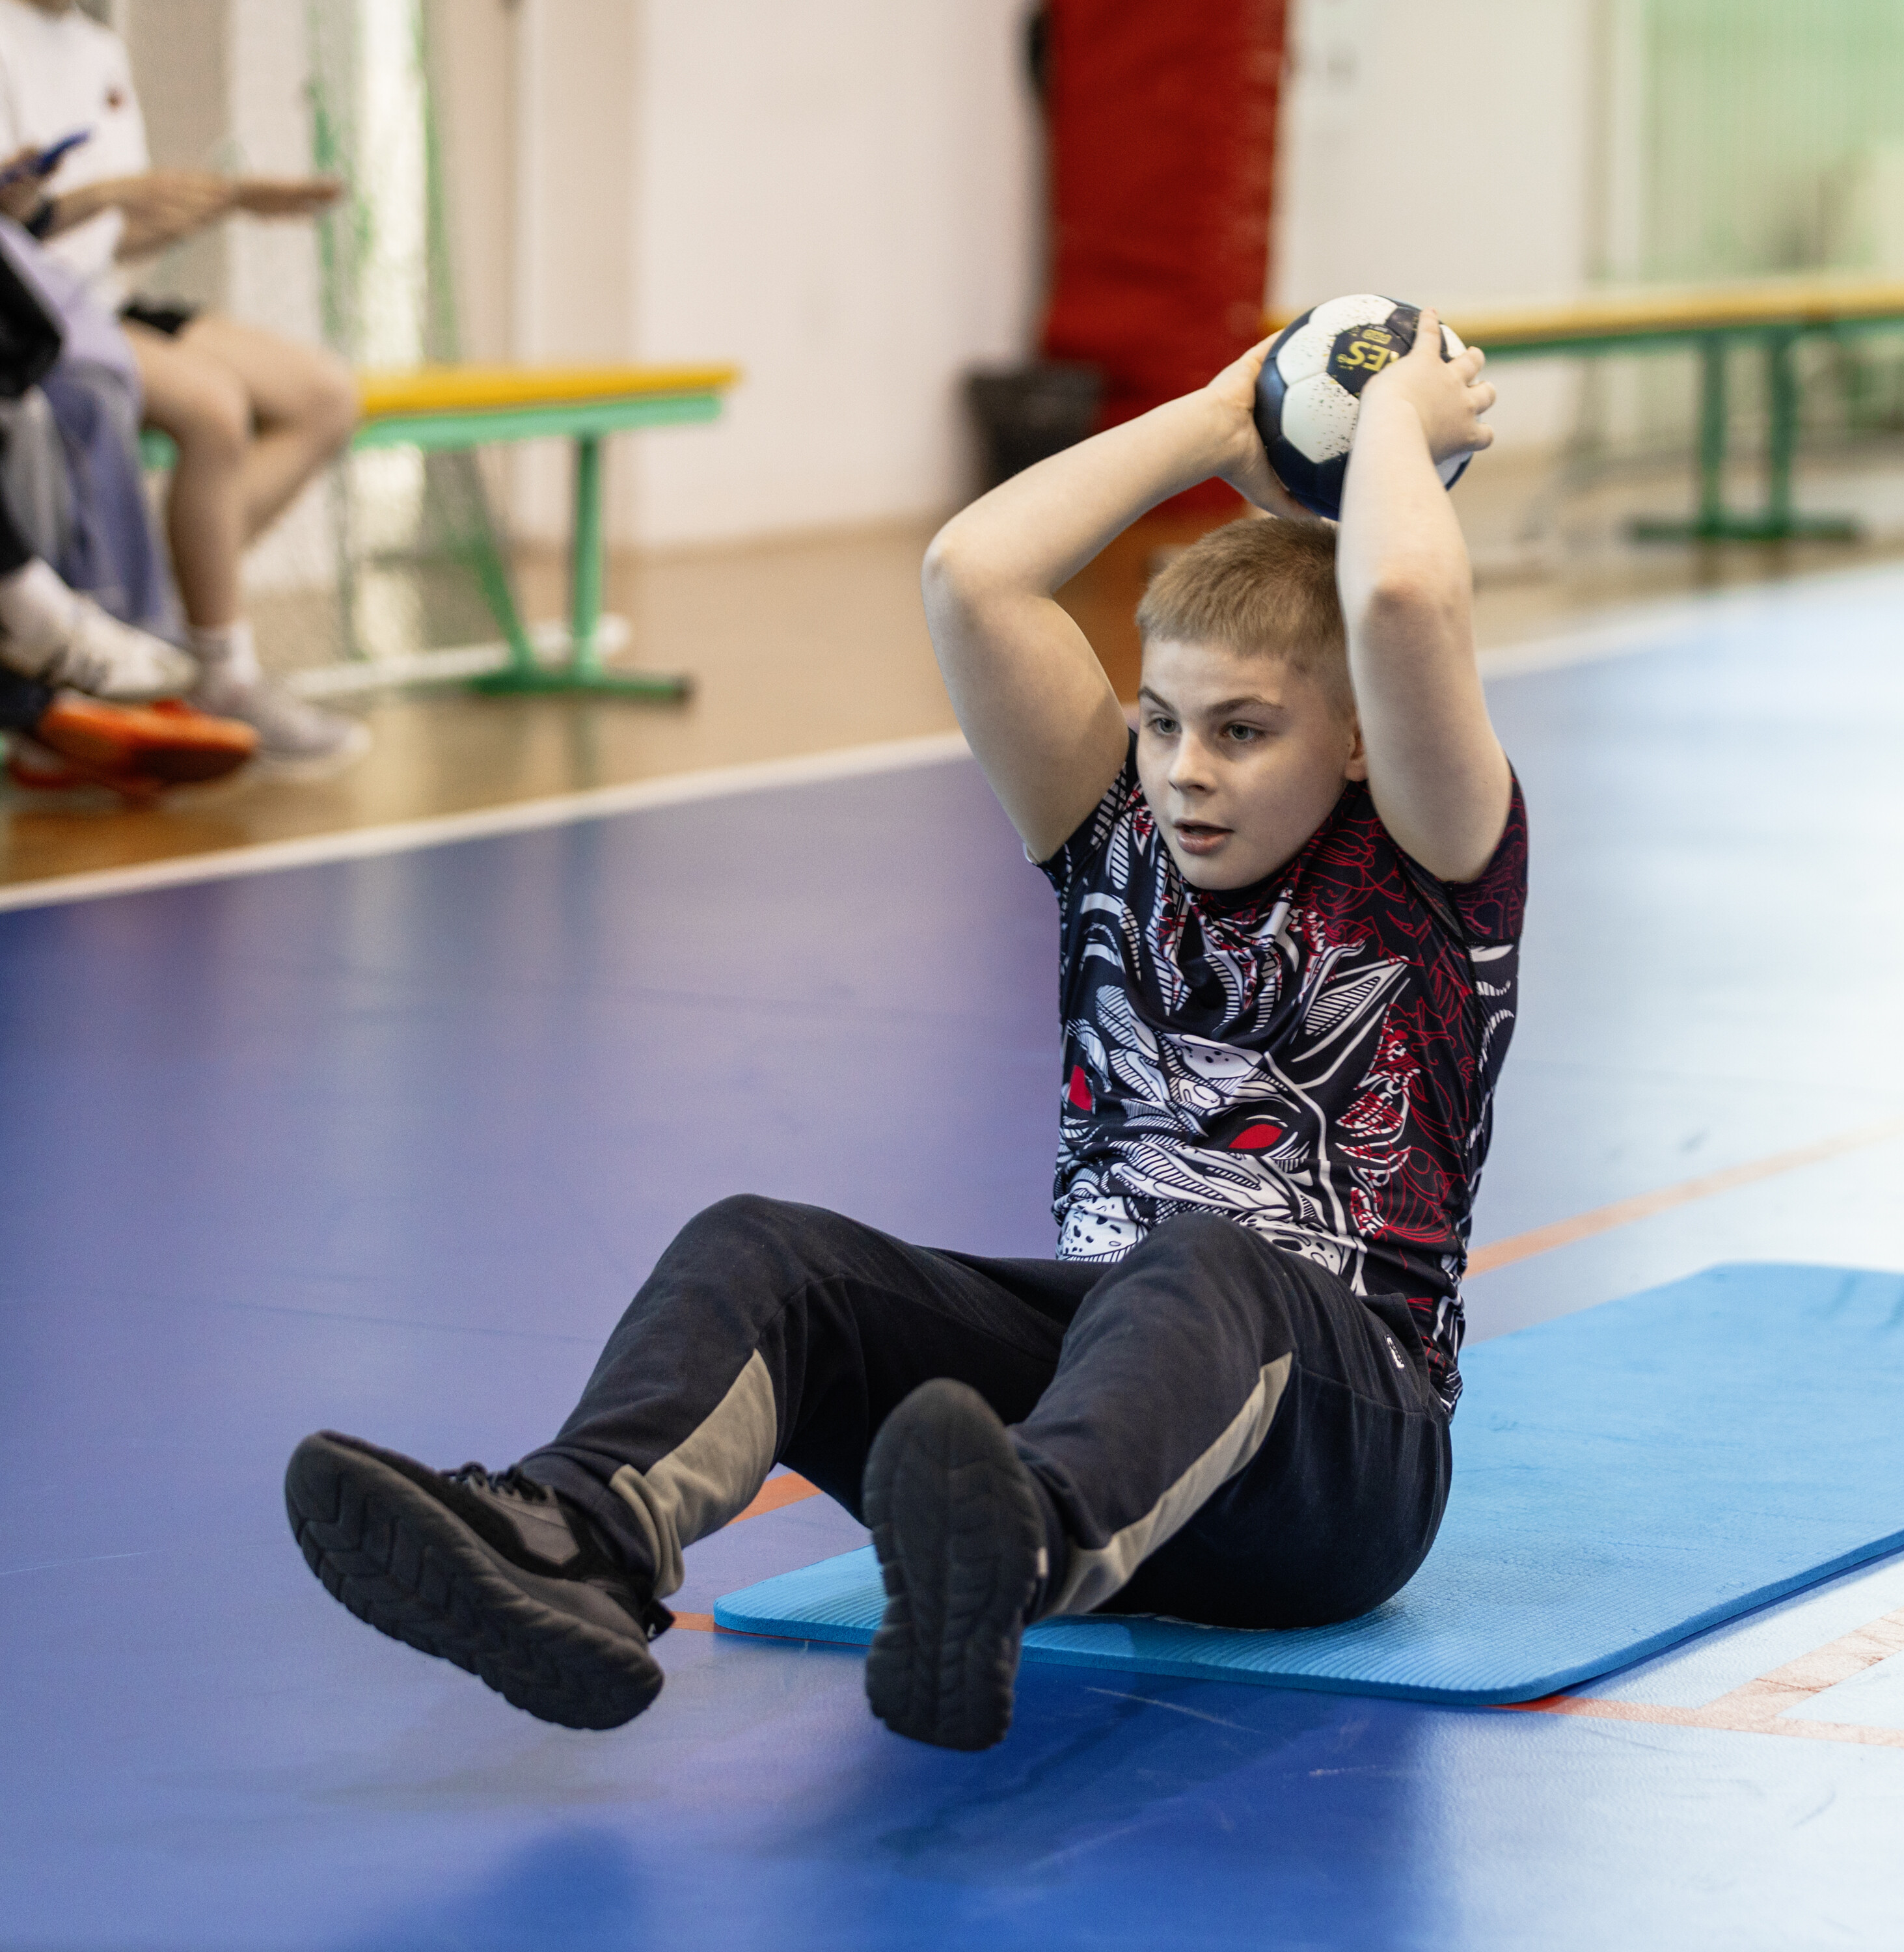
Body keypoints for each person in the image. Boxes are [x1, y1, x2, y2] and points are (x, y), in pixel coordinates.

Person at [284, 317, 1517, 1752]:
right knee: (770, 1250)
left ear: (1357, 739)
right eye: (1163, 722)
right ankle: (579, 1539)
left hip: (1340, 1464)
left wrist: (1390, 418)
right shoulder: (1113, 832)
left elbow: (1405, 599)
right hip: (1113, 1407)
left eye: (1243, 732)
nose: (1186, 772)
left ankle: (1011, 1550)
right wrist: (1212, 414)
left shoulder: (1434, 864)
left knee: (1201, 1266)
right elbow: (973, 573)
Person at [0, 0, 367, 770]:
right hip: (34, 306)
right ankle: (223, 672)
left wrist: (220, 202)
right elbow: (20, 231)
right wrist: (105, 198)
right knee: (213, 409)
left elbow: (116, 231)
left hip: (103, 294)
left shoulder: (97, 48)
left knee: (325, 394)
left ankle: (167, 605)